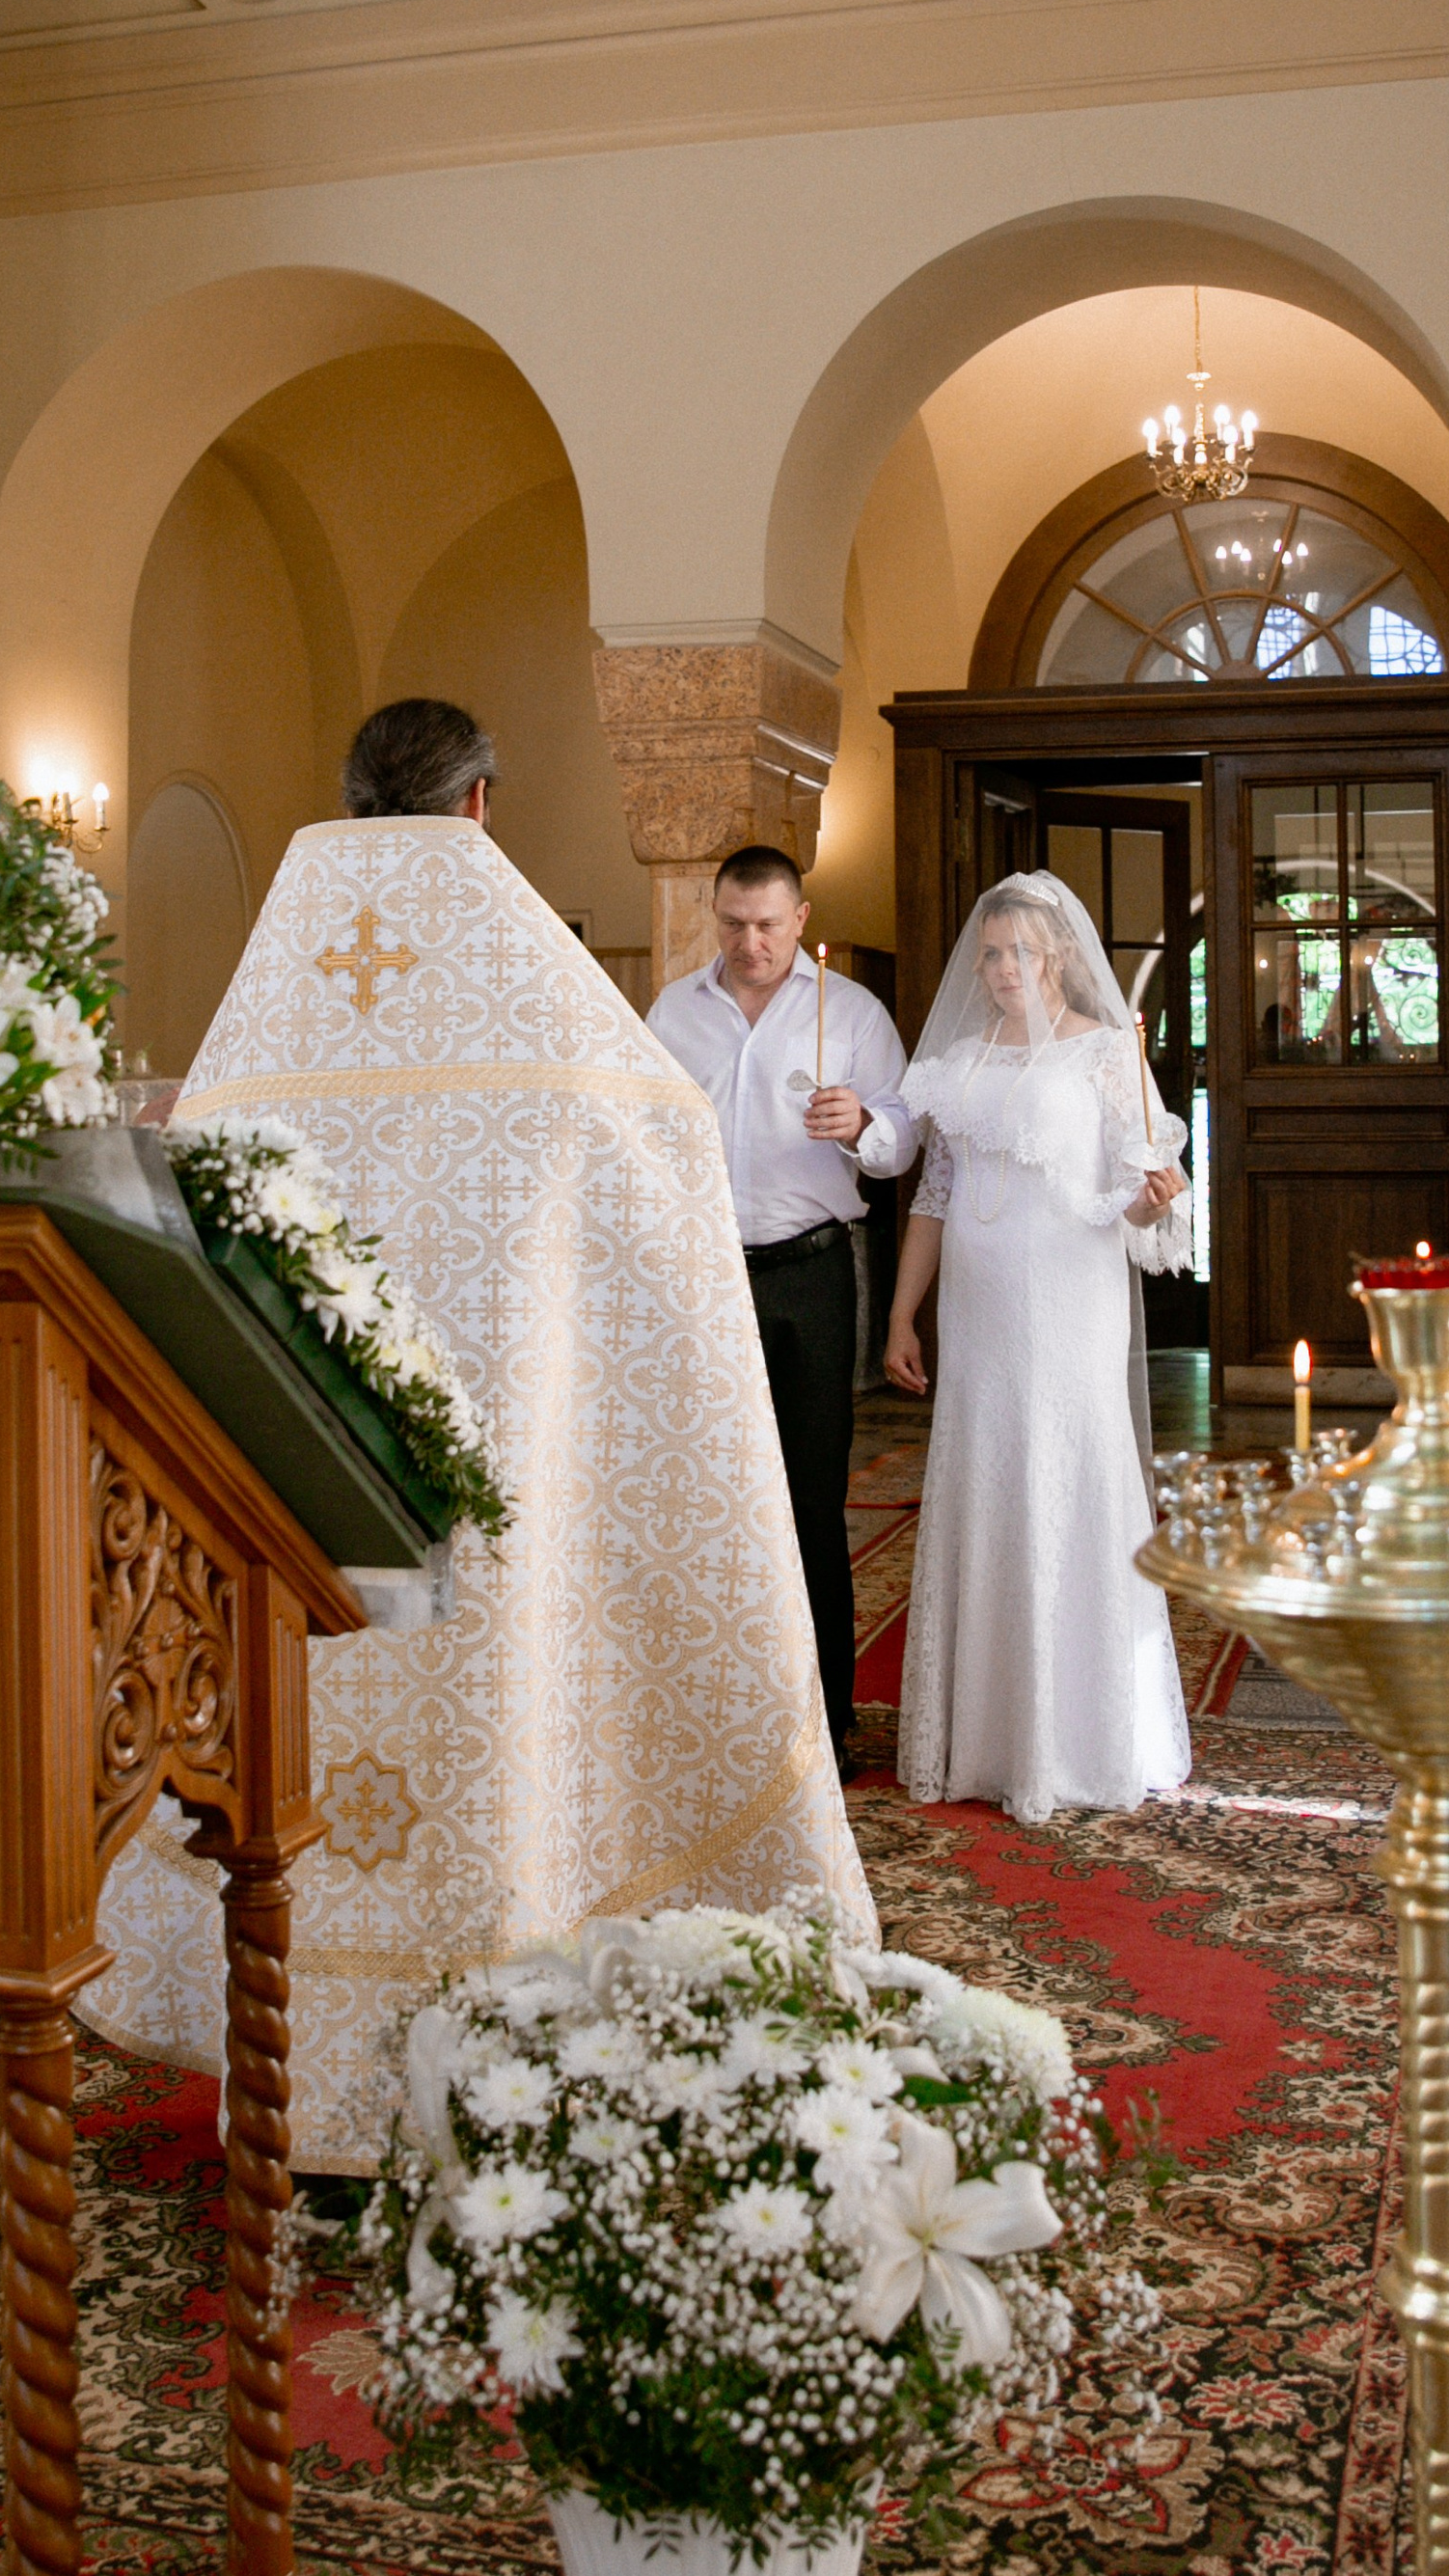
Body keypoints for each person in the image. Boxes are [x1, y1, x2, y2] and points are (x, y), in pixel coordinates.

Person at [81, 699, 873, 2167]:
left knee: (309, 1748)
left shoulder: (285, 983)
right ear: (482, 807)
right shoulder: (533, 986)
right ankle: (511, 2062)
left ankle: (307, 2076)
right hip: (503, 1475)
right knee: (513, 1730)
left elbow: (198, 1163)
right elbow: (661, 1139)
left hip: (315, 1480)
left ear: (352, 796)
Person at [884, 872, 1193, 1825]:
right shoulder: (963, 1063)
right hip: (978, 1314)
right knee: (989, 1478)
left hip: (1072, 1301)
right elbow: (933, 1197)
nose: (1004, 967)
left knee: (1071, 1480)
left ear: (1056, 957)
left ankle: (1085, 1736)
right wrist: (903, 1314)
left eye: (1021, 951)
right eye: (991, 953)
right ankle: (986, 1735)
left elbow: (1155, 1178)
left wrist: (1153, 1199)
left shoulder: (1104, 1054)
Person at [647, 847, 916, 1768]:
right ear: (712, 916)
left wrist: (866, 1127)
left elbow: (906, 1137)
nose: (749, 942)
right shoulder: (672, 1012)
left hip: (810, 1274)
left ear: (800, 919)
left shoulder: (853, 1013)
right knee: (707, 1499)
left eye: (766, 924)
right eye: (732, 924)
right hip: (702, 1278)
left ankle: (825, 1727)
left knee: (809, 1498)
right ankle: (714, 1721)